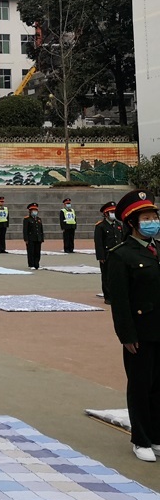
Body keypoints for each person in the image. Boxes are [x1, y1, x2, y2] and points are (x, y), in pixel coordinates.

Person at [106, 190, 160, 462]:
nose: (152, 221)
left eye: (154, 216)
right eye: (146, 218)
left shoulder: (158, 249)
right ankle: (141, 439)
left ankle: (157, 435)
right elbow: (120, 300)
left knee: (159, 385)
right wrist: (126, 334)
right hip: (140, 332)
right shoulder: (121, 255)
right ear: (132, 223)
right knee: (140, 384)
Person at [94, 201, 123, 305]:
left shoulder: (118, 225)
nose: (113, 214)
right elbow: (98, 243)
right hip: (107, 254)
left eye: (114, 211)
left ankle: (116, 294)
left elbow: (121, 240)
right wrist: (101, 256)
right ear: (105, 214)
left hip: (118, 254)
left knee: (118, 275)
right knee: (107, 276)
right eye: (111, 212)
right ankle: (108, 296)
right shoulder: (100, 226)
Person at [23, 203, 44, 270]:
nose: (35, 211)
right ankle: (31, 264)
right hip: (31, 238)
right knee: (31, 252)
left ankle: (37, 264)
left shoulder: (39, 219)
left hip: (38, 238)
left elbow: (41, 230)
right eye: (33, 210)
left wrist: (42, 238)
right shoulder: (27, 219)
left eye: (36, 210)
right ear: (30, 211)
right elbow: (25, 230)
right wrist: (26, 239)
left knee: (37, 252)